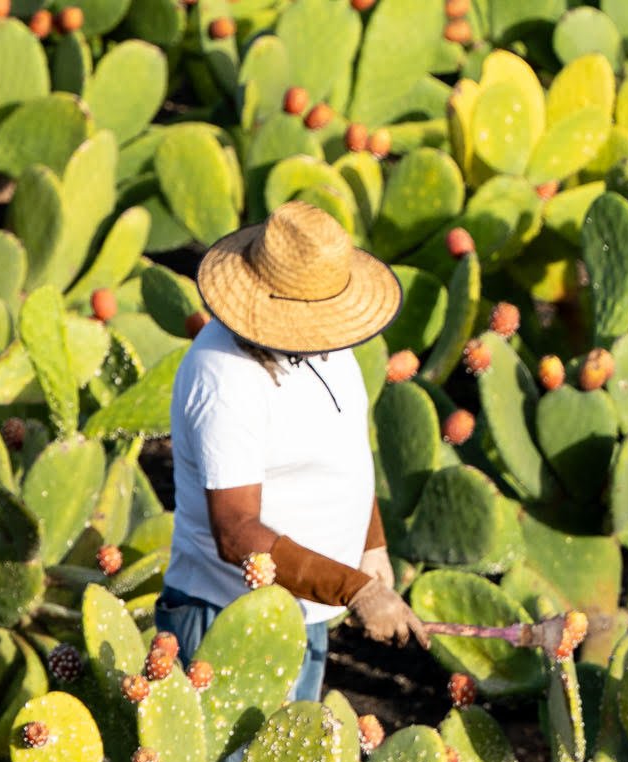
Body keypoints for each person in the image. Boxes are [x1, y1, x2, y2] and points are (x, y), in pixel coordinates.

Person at [159, 200, 430, 707]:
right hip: (231, 620)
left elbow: (348, 452)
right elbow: (235, 532)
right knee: (231, 761)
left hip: (309, 607)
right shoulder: (225, 379)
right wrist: (355, 589)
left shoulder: (328, 345)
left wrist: (370, 545)